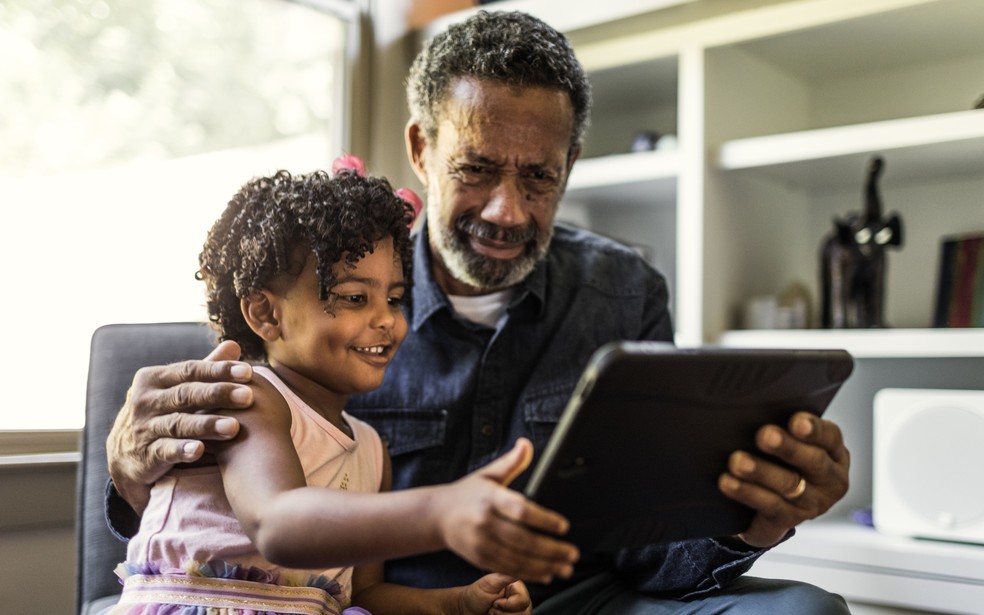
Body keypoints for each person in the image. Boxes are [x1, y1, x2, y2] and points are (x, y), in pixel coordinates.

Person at [106, 10, 852, 613]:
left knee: (804, 611)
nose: (508, 210)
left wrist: (754, 520)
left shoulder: (625, 292)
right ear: (422, 150)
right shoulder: (321, 289)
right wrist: (130, 474)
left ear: (571, 166)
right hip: (401, 601)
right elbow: (217, 512)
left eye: (539, 177)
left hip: (581, 597)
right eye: (477, 169)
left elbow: (652, 551)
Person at [106, 160, 578, 615]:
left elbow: (360, 595)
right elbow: (278, 522)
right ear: (267, 314)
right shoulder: (248, 397)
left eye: (394, 298)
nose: (386, 320)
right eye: (354, 298)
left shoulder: (372, 451)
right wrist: (438, 513)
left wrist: (456, 602)